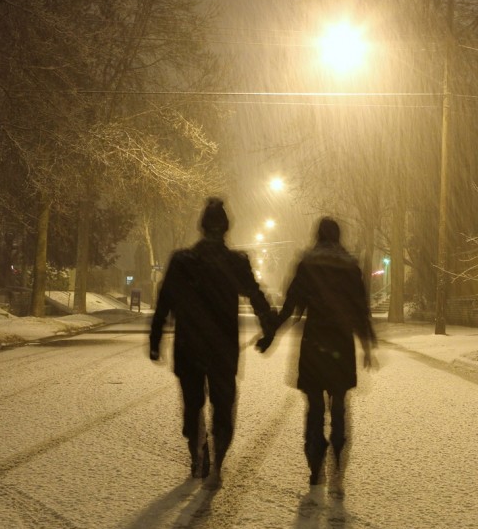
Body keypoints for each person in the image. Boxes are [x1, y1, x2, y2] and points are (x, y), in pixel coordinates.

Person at [149, 197, 276, 485]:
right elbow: (256, 297)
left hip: (188, 346)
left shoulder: (182, 261)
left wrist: (155, 339)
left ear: (202, 226)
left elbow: (164, 302)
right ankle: (218, 456)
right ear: (226, 228)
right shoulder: (235, 262)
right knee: (223, 405)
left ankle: (197, 452)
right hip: (223, 348)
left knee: (193, 405)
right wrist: (268, 328)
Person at [259, 217, 376, 485]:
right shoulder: (350, 267)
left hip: (314, 343)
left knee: (313, 407)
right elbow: (360, 309)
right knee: (339, 406)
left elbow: (290, 307)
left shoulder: (307, 264)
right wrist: (367, 343)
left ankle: (315, 464)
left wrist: (271, 333)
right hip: (340, 344)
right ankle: (337, 454)